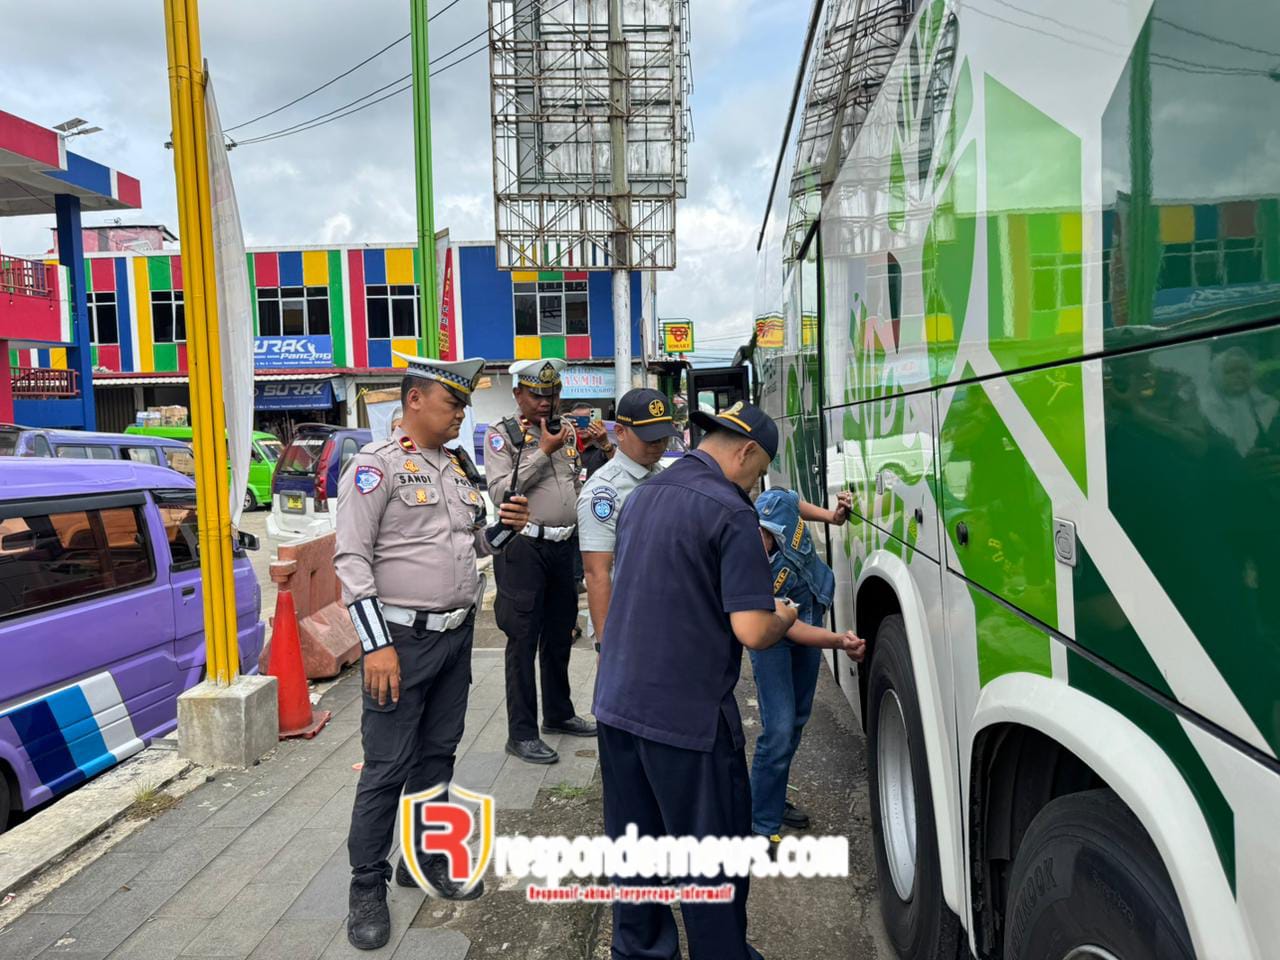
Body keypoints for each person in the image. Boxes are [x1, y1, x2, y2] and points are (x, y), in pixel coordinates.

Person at [335, 353, 531, 951]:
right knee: (386, 769)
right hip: (400, 642)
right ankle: (365, 885)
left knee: (438, 757)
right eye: (453, 403)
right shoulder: (376, 469)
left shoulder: (456, 467)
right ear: (415, 400)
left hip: (455, 638)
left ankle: (421, 860)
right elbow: (352, 562)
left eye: (466, 405)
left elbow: (472, 542)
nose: (461, 415)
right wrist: (377, 648)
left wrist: (506, 528)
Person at [594, 401, 797, 960]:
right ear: (747, 451)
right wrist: (784, 615)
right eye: (758, 474)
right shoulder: (730, 512)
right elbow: (753, 631)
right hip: (686, 720)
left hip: (617, 706)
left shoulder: (643, 496)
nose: (755, 486)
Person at [484, 358, 597, 766]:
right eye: (537, 394)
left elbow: (571, 480)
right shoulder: (504, 435)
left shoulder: (565, 430)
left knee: (559, 633)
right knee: (522, 640)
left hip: (562, 547)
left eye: (552, 393)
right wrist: (541, 453)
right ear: (518, 394)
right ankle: (522, 733)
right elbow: (501, 491)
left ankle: (559, 713)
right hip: (524, 549)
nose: (546, 402)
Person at [750, 487, 865, 855]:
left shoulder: (774, 504)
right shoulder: (747, 575)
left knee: (797, 718)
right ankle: (761, 824)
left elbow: (796, 503)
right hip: (773, 635)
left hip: (811, 607)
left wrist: (832, 517)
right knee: (779, 727)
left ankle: (772, 794)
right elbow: (789, 629)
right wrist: (839, 642)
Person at [576, 388, 678, 647]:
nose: (658, 446)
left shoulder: (662, 476)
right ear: (620, 432)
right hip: (627, 624)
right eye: (649, 439)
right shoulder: (604, 493)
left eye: (662, 437)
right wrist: (605, 645)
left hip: (667, 614)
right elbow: (597, 572)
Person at [569, 400, 615, 479]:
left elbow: (619, 466)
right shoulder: (564, 450)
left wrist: (604, 442)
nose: (582, 426)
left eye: (586, 421)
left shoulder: (605, 449)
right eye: (577, 421)